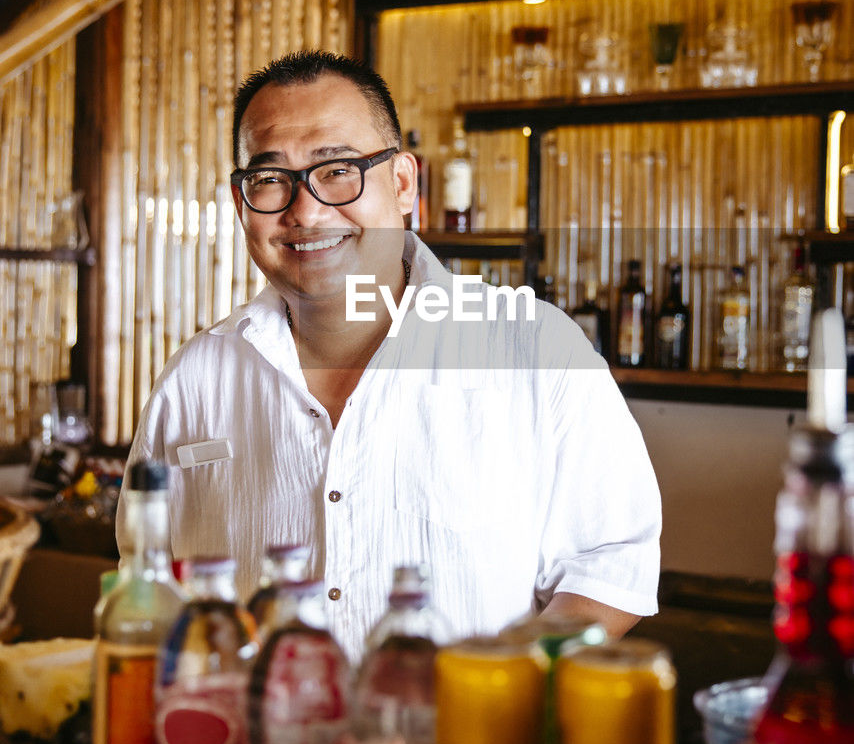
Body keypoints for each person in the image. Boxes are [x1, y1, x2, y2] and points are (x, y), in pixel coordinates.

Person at [117, 50, 660, 663]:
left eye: (338, 170)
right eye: (270, 180)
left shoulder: (534, 350)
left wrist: (478, 692)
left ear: (403, 184)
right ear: (243, 204)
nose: (305, 210)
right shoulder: (195, 379)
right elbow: (148, 582)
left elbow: (609, 574)